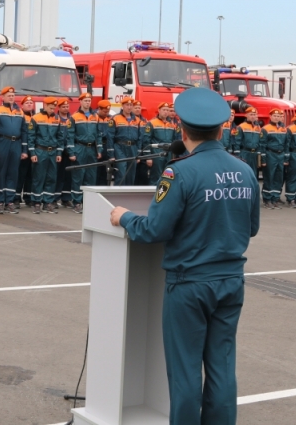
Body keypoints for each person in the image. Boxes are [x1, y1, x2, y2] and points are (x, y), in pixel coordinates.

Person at [109, 87, 259, 425]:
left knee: (186, 370)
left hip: (189, 284)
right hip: (231, 281)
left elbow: (154, 230)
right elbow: (251, 228)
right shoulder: (245, 170)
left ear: (182, 129)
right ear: (221, 129)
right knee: (222, 366)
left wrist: (125, 217)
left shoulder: (179, 172)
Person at [0, 87, 27, 214]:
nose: (11, 97)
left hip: (16, 143)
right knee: (1, 173)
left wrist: (24, 150)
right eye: (9, 95)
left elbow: (24, 132)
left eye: (13, 95)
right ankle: (0, 202)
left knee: (13, 173)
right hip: (2, 142)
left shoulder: (20, 112)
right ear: (3, 97)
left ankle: (9, 202)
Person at [28, 97, 64, 214]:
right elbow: (31, 137)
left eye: (54, 107)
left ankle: (48, 202)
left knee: (51, 178)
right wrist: (32, 153)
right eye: (50, 107)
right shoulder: (36, 118)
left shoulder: (57, 118)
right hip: (40, 151)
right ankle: (37, 202)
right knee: (38, 177)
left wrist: (59, 152)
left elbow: (60, 137)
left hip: (53, 152)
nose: (52, 109)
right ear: (45, 105)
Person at [67, 92, 102, 214]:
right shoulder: (74, 117)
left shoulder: (95, 116)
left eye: (89, 100)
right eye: (85, 100)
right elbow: (70, 136)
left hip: (92, 149)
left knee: (91, 176)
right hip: (80, 148)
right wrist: (72, 152)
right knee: (78, 176)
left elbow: (98, 135)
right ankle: (77, 202)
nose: (88, 102)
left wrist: (99, 150)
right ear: (80, 102)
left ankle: (88, 202)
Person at [106, 97, 141, 186]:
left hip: (133, 148)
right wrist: (111, 154)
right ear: (122, 106)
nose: (129, 107)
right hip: (119, 147)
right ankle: (118, 196)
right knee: (121, 173)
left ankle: (128, 197)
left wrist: (138, 154)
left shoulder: (137, 120)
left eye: (131, 105)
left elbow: (140, 138)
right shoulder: (115, 118)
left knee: (131, 174)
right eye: (127, 105)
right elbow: (110, 137)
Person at [143, 102, 180, 184]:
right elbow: (146, 140)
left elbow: (174, 140)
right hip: (157, 154)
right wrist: (148, 157)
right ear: (159, 110)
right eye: (164, 110)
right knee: (156, 177)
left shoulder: (172, 125)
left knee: (168, 177)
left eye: (167, 110)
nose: (166, 112)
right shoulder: (151, 123)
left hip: (169, 154)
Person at [259, 109, 287, 209]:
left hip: (281, 155)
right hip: (270, 154)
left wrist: (286, 157)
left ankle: (275, 198)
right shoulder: (265, 129)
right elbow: (262, 144)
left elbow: (286, 144)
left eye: (278, 116)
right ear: (270, 117)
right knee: (269, 177)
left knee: (278, 177)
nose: (277, 118)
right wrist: (263, 159)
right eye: (274, 116)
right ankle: (267, 199)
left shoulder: (283, 129)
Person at [15, 95, 36, 206]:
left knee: (30, 175)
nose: (29, 105)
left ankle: (28, 197)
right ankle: (16, 197)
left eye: (31, 103)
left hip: (32, 151)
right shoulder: (20, 116)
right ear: (22, 105)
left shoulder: (35, 117)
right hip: (22, 149)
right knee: (20, 174)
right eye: (27, 103)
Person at [55, 98, 74, 206]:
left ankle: (66, 198)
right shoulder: (55, 118)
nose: (66, 109)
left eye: (67, 107)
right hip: (59, 152)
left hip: (69, 152)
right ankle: (56, 197)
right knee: (58, 175)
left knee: (68, 176)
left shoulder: (72, 119)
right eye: (64, 107)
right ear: (59, 108)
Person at [94, 99, 112, 186]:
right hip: (97, 146)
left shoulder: (110, 118)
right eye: (105, 111)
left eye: (108, 111)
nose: (106, 113)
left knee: (106, 170)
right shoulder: (94, 118)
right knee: (96, 170)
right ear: (99, 109)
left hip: (107, 146)